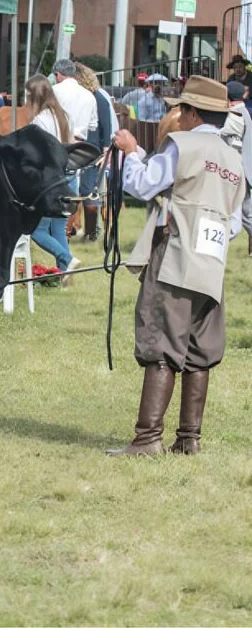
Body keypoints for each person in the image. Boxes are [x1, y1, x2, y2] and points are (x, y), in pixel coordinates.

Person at [108, 77, 244, 457]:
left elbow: (143, 185)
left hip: (176, 258)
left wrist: (131, 152)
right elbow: (233, 223)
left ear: (192, 112)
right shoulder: (234, 159)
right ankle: (188, 439)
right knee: (199, 352)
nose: (177, 115)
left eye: (180, 109)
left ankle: (148, 438)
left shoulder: (181, 145)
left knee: (161, 345)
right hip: (211, 264)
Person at [24, 75, 80, 279]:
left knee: (37, 231)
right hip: (69, 177)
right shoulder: (64, 116)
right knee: (58, 229)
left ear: (34, 96)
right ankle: (66, 275)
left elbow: (39, 155)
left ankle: (67, 259)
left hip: (51, 181)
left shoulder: (39, 121)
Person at [74, 62, 119, 242]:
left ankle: (91, 233)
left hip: (93, 151)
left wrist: (105, 153)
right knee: (84, 191)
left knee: (90, 191)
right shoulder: (85, 97)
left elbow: (106, 125)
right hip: (85, 149)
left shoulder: (98, 98)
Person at [219, 80, 252, 256]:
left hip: (238, 172)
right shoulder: (244, 111)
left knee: (235, 222)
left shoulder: (234, 116)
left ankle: (212, 246)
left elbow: (215, 132)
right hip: (246, 172)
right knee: (247, 215)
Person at [52, 59, 98, 142]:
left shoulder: (53, 91)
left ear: (57, 74)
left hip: (57, 141)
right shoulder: (89, 95)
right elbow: (93, 125)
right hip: (79, 144)